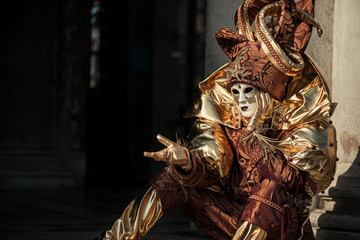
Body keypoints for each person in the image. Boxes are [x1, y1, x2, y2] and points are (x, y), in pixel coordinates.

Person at [97, 0, 337, 239]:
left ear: (266, 95)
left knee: (270, 189)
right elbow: (214, 167)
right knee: (174, 176)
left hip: (280, 227)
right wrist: (188, 161)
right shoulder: (228, 123)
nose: (240, 100)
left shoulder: (296, 124)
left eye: (248, 91)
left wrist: (255, 140)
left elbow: (296, 182)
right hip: (234, 218)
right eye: (235, 91)